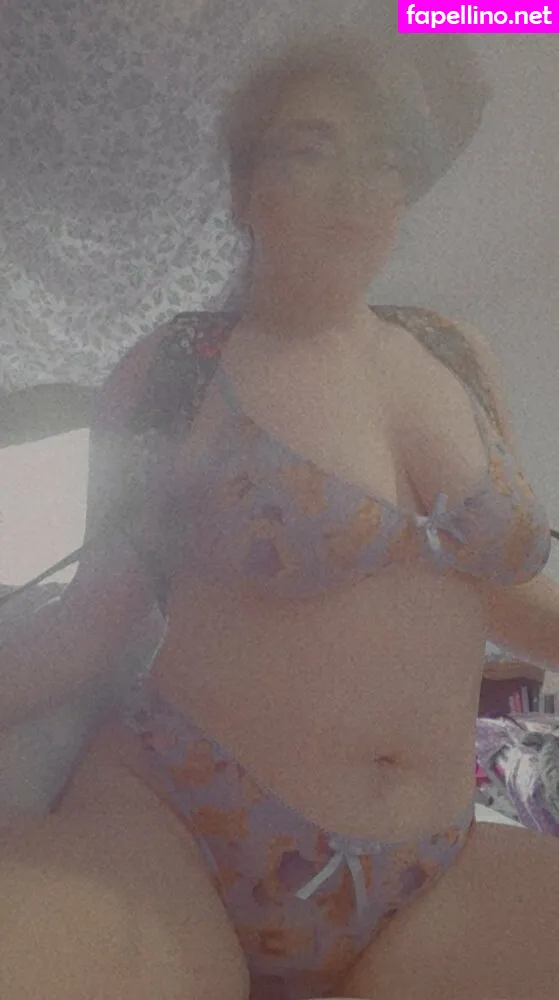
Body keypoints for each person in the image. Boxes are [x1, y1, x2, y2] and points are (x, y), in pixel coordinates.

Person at [1, 29, 559, 1000]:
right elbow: (93, 622)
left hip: (434, 866)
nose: (354, 187)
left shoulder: (455, 350)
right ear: (242, 186)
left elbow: (501, 592)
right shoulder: (176, 367)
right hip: (178, 828)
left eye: (383, 161)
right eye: (311, 150)